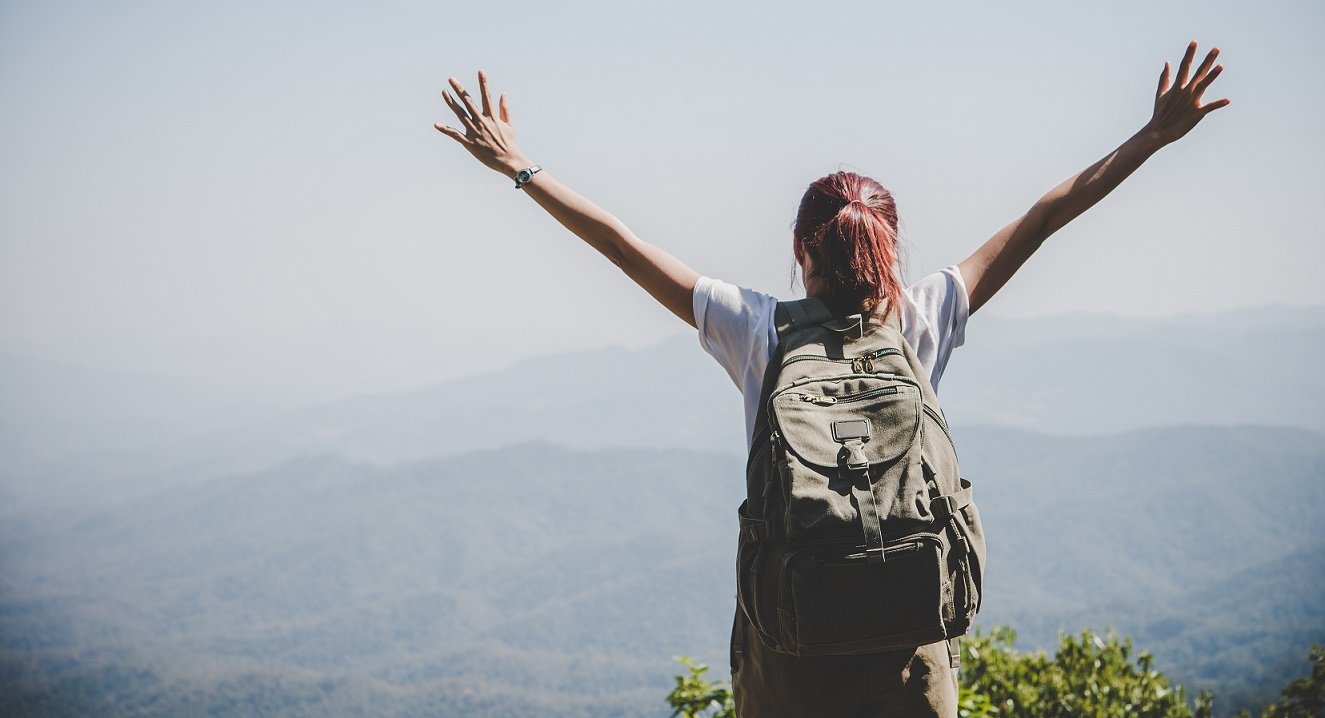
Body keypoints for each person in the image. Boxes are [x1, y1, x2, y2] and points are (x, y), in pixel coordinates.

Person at [434, 40, 1228, 717]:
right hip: (908, 656)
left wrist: (519, 166)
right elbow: (1045, 215)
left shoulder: (752, 328)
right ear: (888, 245)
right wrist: (1151, 136)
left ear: (797, 247)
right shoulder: (922, 318)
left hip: (793, 650)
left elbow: (618, 243)